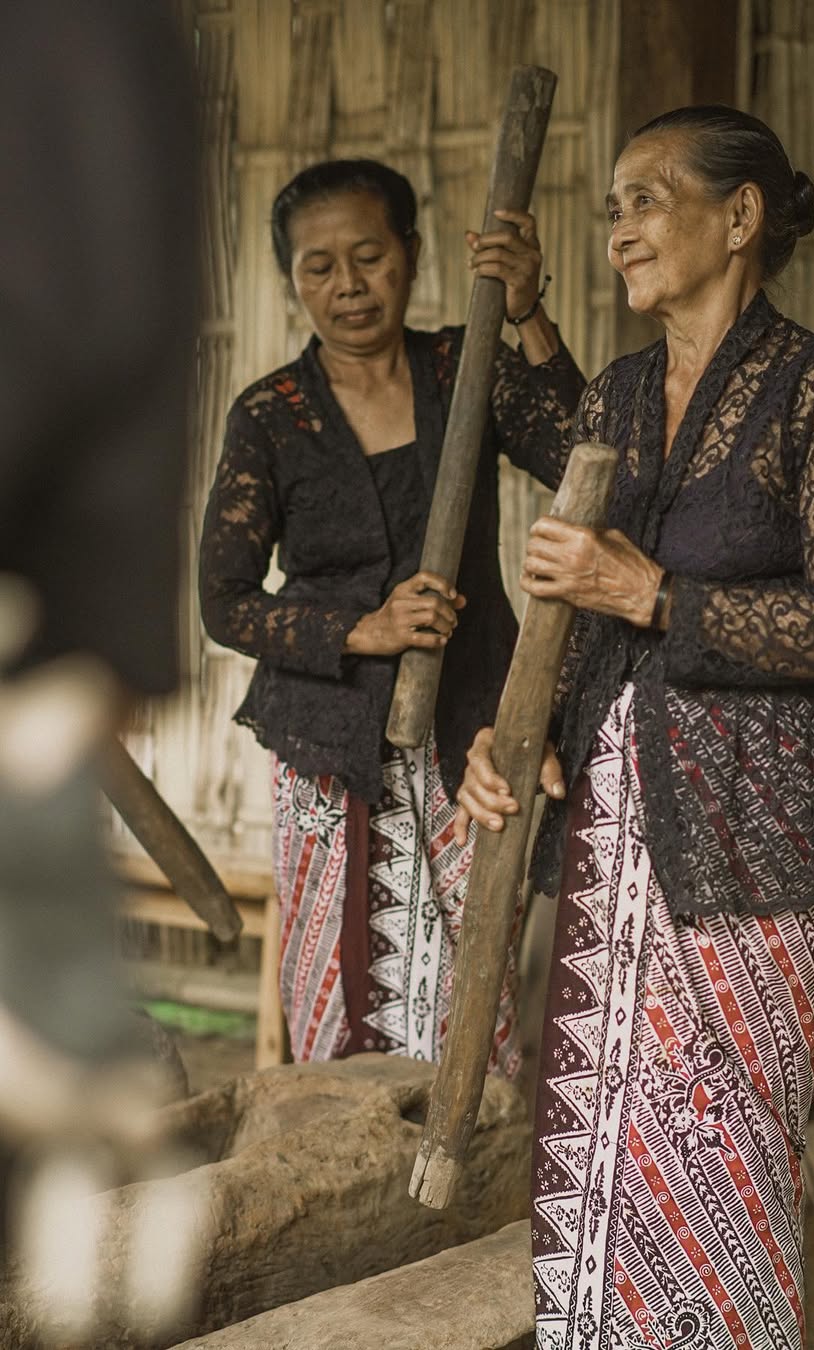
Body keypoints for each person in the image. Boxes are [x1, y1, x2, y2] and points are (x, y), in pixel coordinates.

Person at [454, 105, 814, 1350]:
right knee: (597, 1139)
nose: (621, 229)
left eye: (646, 198)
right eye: (612, 207)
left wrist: (651, 592)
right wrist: (519, 729)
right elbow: (578, 607)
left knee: (720, 1141)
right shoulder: (620, 389)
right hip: (618, 809)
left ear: (740, 215)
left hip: (750, 833)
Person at [199, 159, 584, 1069]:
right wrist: (355, 630)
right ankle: (344, 1167)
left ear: (410, 255)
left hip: (472, 734)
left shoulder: (465, 363)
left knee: (471, 967)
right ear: (291, 279)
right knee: (339, 973)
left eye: (369, 257)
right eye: (318, 267)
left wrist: (527, 313)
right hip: (329, 746)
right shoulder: (271, 415)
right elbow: (225, 603)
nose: (348, 287)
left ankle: (459, 1171)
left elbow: (582, 455)